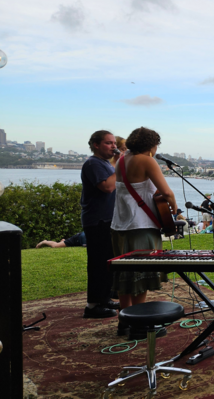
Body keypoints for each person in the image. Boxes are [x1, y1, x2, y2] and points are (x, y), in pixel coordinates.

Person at [111, 127, 176, 327]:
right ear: (151, 145)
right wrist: (174, 207)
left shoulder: (121, 160)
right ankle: (139, 322)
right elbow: (166, 192)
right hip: (141, 225)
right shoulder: (147, 160)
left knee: (125, 274)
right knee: (140, 276)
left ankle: (125, 320)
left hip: (119, 225)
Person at [80, 130, 120, 319]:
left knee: (107, 262)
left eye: (114, 143)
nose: (114, 146)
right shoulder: (93, 163)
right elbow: (107, 187)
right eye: (108, 143)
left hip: (107, 219)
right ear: (96, 145)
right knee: (97, 263)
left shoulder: (105, 163)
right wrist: (120, 165)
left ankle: (104, 298)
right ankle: (93, 305)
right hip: (97, 220)